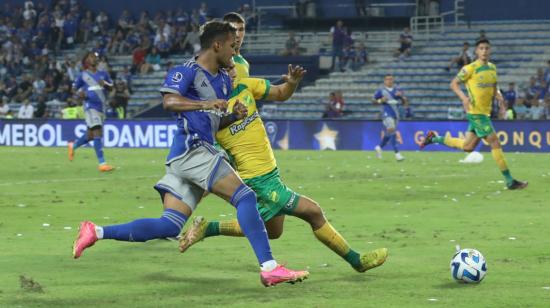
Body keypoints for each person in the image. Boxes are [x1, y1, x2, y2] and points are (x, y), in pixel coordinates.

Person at [72, 21, 308, 287]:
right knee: (245, 196)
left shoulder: (221, 80)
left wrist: (231, 116)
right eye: (232, 46)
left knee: (169, 225)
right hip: (193, 150)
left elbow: (211, 122)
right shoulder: (187, 71)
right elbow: (169, 101)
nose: (235, 51)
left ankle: (95, 231)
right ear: (217, 45)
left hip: (187, 156)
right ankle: (269, 267)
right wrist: (206, 103)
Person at [179, 61, 389, 274]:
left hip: (270, 174)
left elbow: (280, 92)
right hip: (255, 180)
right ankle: (357, 261)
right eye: (226, 70)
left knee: (273, 231)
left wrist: (293, 83)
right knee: (313, 212)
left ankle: (208, 228)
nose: (232, 72)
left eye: (233, 68)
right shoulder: (211, 109)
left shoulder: (245, 86)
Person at [421, 39, 528, 190]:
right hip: (476, 113)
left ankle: (434, 138)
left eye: (487, 48)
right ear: (477, 51)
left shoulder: (492, 68)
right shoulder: (469, 68)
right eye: (481, 48)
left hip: (485, 112)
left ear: (490, 51)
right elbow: (453, 84)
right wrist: (464, 98)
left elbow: (494, 86)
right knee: (494, 142)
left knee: (468, 146)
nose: (484, 51)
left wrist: (499, 98)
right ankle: (510, 180)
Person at [67, 51, 115, 172]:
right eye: (92, 57)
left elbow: (111, 88)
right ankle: (102, 163)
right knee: (97, 132)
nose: (94, 59)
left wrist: (105, 84)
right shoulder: (82, 75)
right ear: (87, 61)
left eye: (96, 57)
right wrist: (79, 94)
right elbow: (73, 89)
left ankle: (74, 145)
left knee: (90, 135)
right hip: (90, 106)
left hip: (101, 107)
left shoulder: (103, 74)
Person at [373, 74, 407, 161]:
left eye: (391, 79)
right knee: (392, 130)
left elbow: (405, 103)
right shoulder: (381, 91)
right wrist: (380, 100)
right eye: (387, 79)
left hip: (396, 114)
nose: (389, 81)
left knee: (390, 132)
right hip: (386, 114)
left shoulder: (397, 91)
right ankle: (397, 153)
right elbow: (373, 101)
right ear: (384, 81)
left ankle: (379, 147)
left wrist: (402, 97)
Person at [223, 12, 249, 81]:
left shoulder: (245, 62)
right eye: (233, 30)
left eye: (241, 30)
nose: (237, 35)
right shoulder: (219, 61)